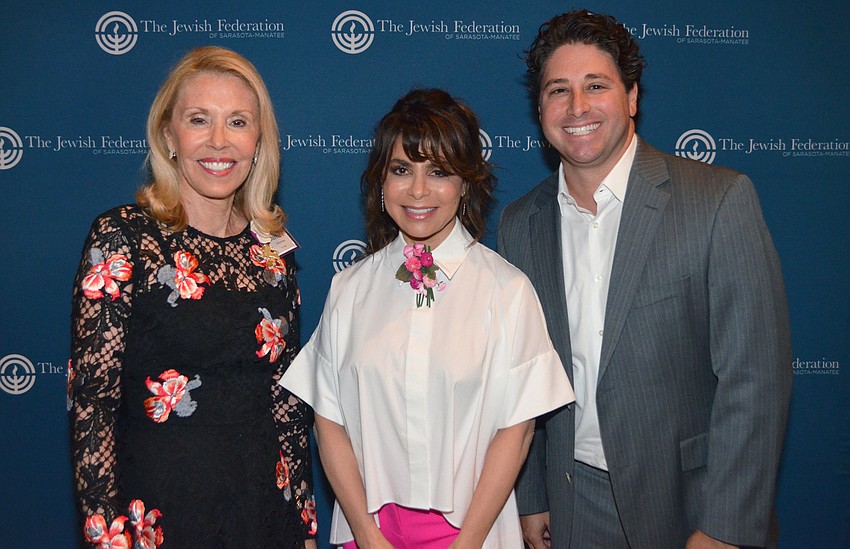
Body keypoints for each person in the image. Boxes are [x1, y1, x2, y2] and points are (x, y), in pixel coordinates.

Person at [498, 10, 792, 549]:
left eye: (596, 86)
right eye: (558, 90)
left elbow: (756, 381)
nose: (577, 107)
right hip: (572, 503)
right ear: (540, 107)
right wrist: (532, 494)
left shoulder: (717, 201)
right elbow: (525, 375)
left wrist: (725, 528)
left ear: (632, 97)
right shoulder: (520, 224)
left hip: (691, 506)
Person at [280, 88, 574, 548]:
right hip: (368, 532)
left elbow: (514, 435)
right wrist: (366, 534)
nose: (418, 191)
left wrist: (467, 543)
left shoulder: (507, 291)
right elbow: (328, 420)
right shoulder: (350, 289)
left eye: (438, 172)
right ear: (381, 182)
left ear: (466, 182)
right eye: (401, 170)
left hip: (470, 538)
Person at [69, 46, 316, 549]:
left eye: (239, 122)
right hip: (160, 520)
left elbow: (286, 405)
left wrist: (305, 529)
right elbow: (93, 407)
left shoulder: (272, 252)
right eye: (199, 120)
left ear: (258, 139)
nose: (219, 141)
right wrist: (108, 540)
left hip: (264, 519)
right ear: (168, 135)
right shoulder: (124, 238)